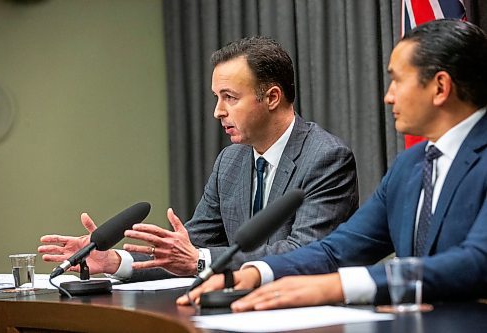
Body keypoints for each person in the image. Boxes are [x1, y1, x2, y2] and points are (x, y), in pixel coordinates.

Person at [178, 19, 487, 310]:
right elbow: (338, 249)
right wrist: (259, 272)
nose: (388, 97)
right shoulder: (410, 165)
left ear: (440, 87)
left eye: (397, 80)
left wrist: (337, 286)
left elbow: (476, 262)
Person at [38, 36, 358, 281]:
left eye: (230, 98)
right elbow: (188, 247)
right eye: (216, 98)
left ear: (272, 97)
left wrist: (199, 260)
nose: (218, 111)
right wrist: (113, 262)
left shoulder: (326, 158)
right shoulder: (230, 162)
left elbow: (305, 253)